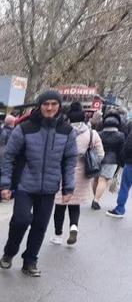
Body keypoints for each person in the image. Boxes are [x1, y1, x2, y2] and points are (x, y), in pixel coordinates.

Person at [0, 91, 77, 277]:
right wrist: (5, 184)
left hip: (49, 187)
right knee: (21, 220)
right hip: (25, 185)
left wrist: (68, 187)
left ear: (59, 106)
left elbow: (70, 160)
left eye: (53, 104)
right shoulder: (25, 128)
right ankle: (10, 252)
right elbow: (8, 156)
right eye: (45, 104)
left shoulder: (66, 131)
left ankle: (30, 261)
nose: (49, 108)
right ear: (39, 106)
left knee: (40, 225)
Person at [50, 103, 103, 246]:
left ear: (69, 119)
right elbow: (100, 154)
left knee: (60, 205)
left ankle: (58, 235)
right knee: (75, 205)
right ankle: (74, 226)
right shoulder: (92, 134)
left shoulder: (62, 132)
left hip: (62, 172)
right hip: (82, 175)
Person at [92, 112, 125, 210]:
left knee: (95, 179)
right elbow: (121, 150)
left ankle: (95, 197)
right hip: (112, 160)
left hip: (97, 159)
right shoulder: (120, 135)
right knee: (103, 180)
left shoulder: (98, 134)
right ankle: (96, 200)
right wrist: (121, 163)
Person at [107, 125, 132, 218]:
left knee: (125, 187)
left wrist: (123, 159)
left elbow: (128, 146)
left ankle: (120, 209)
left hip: (131, 163)